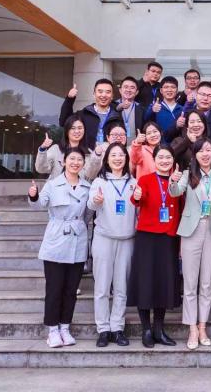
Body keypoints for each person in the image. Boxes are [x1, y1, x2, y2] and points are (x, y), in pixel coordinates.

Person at [171, 138, 211, 350]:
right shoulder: (188, 175)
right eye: (201, 151)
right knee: (190, 283)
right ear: (195, 155)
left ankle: (202, 326)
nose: (205, 154)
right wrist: (173, 181)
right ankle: (192, 329)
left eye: (208, 150)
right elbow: (175, 192)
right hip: (191, 231)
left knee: (206, 283)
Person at [28, 149, 91, 348]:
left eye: (79, 159)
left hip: (78, 239)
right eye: (72, 159)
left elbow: (88, 214)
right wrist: (33, 195)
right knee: (54, 289)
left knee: (71, 290)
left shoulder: (87, 186)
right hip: (56, 240)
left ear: (83, 164)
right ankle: (53, 330)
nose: (75, 162)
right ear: (63, 162)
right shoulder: (53, 184)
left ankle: (65, 327)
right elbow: (39, 205)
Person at [127, 145, 182, 348]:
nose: (165, 161)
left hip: (169, 237)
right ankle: (146, 330)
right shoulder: (145, 179)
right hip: (147, 237)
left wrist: (176, 183)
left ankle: (159, 329)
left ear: (173, 160)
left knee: (163, 283)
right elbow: (137, 199)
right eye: (161, 157)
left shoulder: (177, 182)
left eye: (168, 157)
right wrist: (136, 196)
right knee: (145, 281)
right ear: (155, 160)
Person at [87, 143, 136, 348]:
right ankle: (103, 329)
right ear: (106, 159)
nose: (117, 158)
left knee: (121, 287)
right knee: (102, 287)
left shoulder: (133, 182)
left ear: (126, 158)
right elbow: (90, 205)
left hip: (127, 240)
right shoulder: (99, 182)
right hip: (104, 239)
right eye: (113, 155)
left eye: (121, 155)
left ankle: (117, 328)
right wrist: (97, 200)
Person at [35, 115, 101, 182]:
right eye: (73, 128)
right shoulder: (56, 149)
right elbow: (41, 169)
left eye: (80, 128)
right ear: (67, 130)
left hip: (80, 188)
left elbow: (92, 175)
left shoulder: (88, 153)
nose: (77, 131)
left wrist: (97, 155)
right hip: (57, 188)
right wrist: (42, 149)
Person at [59, 79, 116, 146]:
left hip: (111, 152)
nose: (103, 95)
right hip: (87, 152)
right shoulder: (84, 114)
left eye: (108, 92)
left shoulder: (117, 116)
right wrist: (69, 99)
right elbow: (64, 121)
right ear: (94, 94)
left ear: (112, 96)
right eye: (100, 91)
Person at [113, 75, 144, 140]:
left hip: (135, 144)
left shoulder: (141, 108)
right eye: (126, 87)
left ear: (137, 92)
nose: (129, 90)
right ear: (120, 90)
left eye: (132, 88)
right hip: (116, 144)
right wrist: (119, 107)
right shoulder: (112, 106)